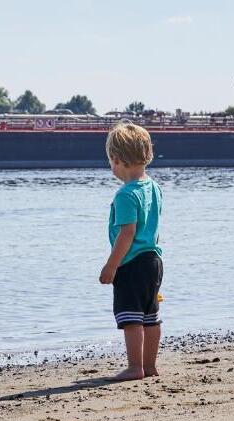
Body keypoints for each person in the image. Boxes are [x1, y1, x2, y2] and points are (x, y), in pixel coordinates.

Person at [99, 120, 163, 381]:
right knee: (151, 315)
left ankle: (135, 366)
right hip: (154, 260)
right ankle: (150, 365)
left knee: (131, 317)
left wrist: (112, 265)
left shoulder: (126, 194)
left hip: (132, 262)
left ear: (116, 159)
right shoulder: (153, 187)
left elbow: (127, 233)